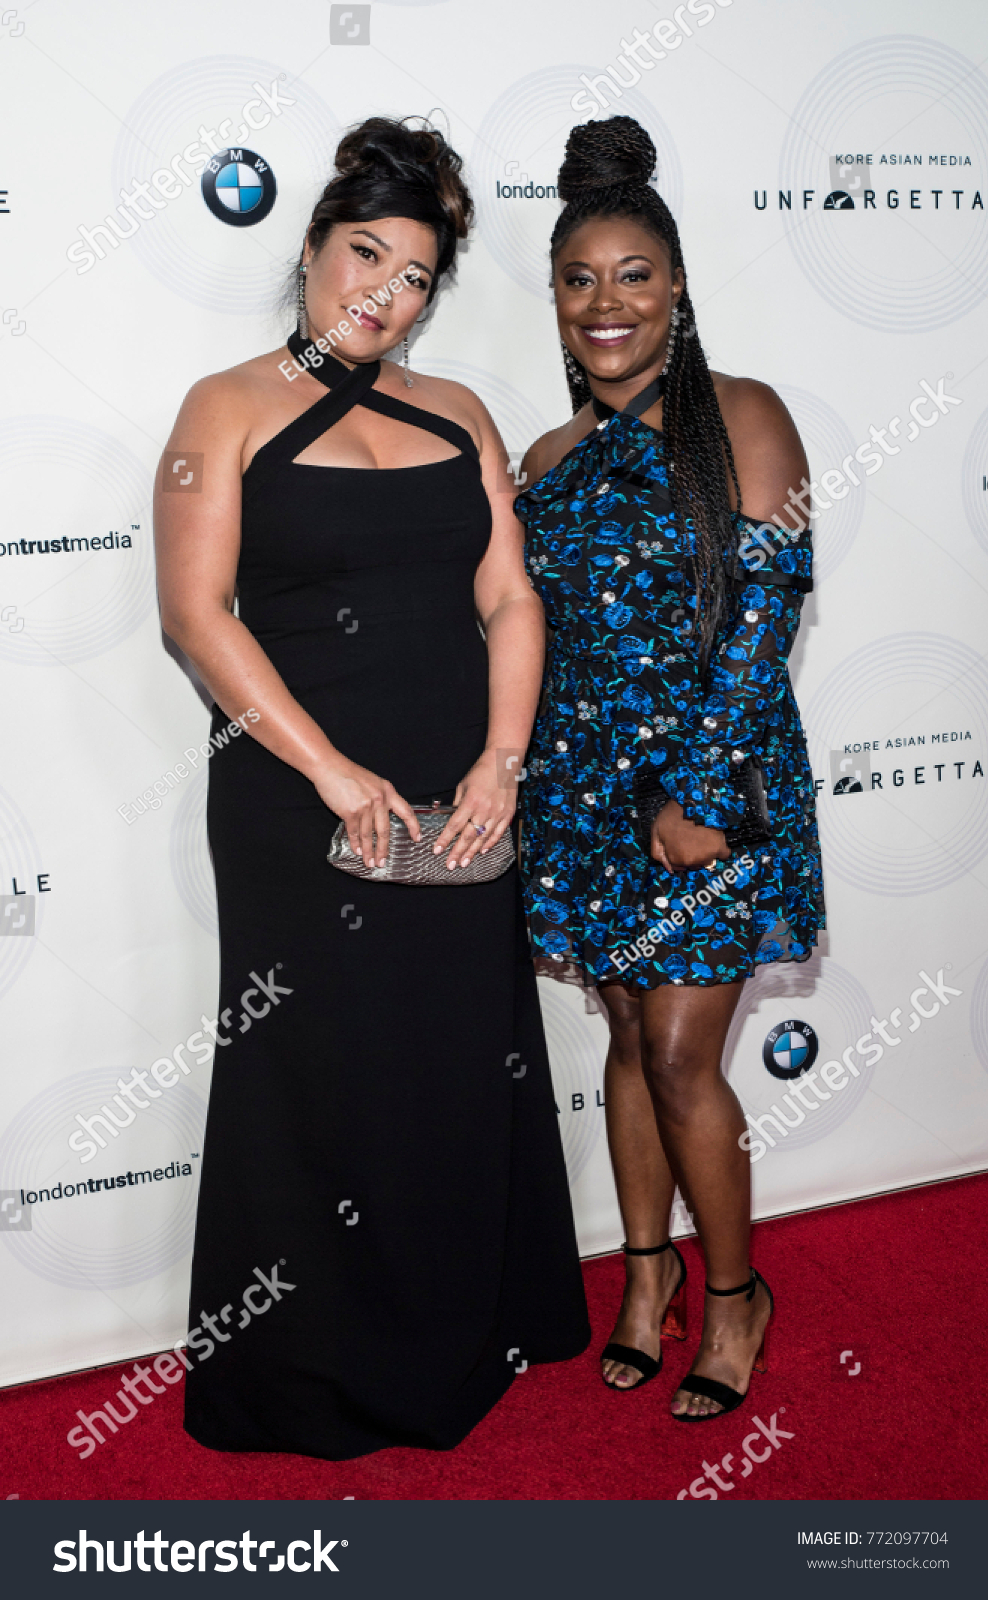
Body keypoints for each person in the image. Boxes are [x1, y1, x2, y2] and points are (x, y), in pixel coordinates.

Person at [155, 116, 589, 1461]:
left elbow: (511, 597)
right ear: (310, 249)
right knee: (322, 1074)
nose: (382, 295)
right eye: (363, 255)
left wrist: (502, 762)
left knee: (452, 1061)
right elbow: (195, 617)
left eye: (413, 277)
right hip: (297, 799)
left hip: (462, 797)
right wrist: (337, 775)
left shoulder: (458, 413)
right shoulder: (224, 407)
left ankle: (468, 1329)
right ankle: (308, 1372)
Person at [515, 116, 823, 1421]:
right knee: (631, 1041)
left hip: (715, 789)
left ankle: (736, 1293)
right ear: (554, 299)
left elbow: (763, 621)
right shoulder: (545, 460)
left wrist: (694, 797)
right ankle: (647, 1281)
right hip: (583, 797)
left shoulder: (742, 416)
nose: (607, 302)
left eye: (633, 275)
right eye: (579, 279)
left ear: (677, 286)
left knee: (685, 1056)